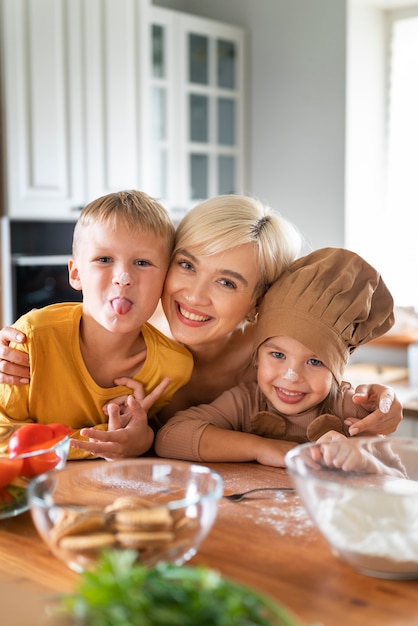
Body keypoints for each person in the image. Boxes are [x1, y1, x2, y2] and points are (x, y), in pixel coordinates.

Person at [0, 196, 403, 459]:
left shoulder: (273, 362)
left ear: (259, 300)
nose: (194, 295)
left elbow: (339, 407)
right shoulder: (125, 326)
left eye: (227, 282)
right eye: (187, 265)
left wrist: (378, 408)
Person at [154, 247, 396, 467]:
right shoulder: (247, 402)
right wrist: (261, 448)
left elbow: (397, 482)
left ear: (336, 369)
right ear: (257, 355)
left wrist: (362, 459)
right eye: (278, 354)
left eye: (314, 361)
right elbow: (169, 437)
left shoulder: (350, 410)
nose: (291, 376)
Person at [0, 190, 193, 459]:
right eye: (104, 259)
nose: (123, 278)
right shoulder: (32, 337)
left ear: (165, 281)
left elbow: (160, 436)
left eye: (142, 262)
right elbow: (4, 437)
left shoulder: (174, 368)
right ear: (76, 274)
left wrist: (144, 437)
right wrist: (106, 439)